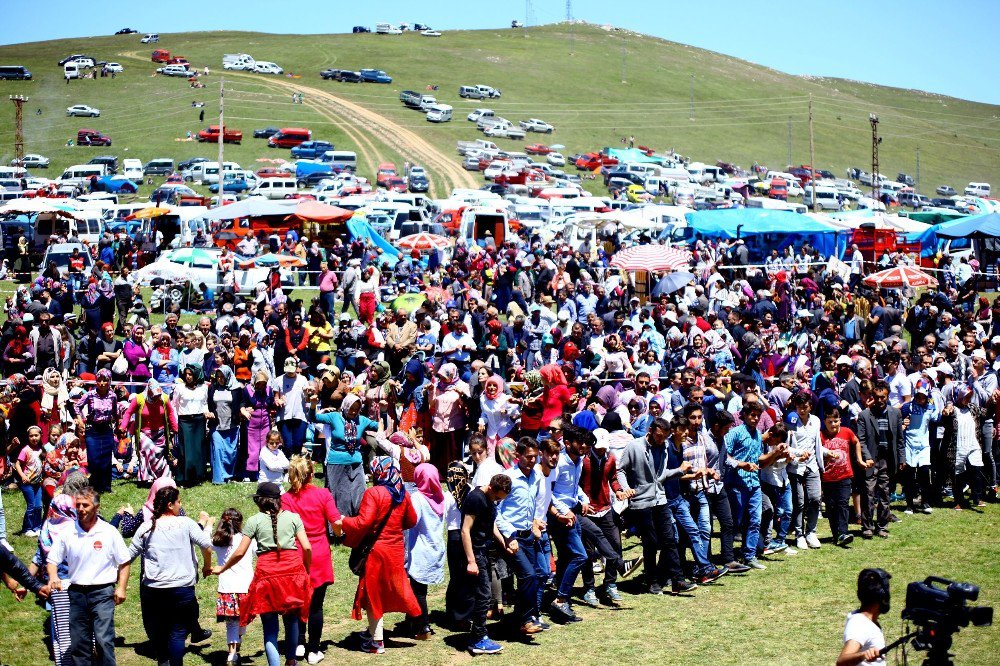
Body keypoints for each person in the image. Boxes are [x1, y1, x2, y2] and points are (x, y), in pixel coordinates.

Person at [210, 482, 313, 666]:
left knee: (270, 630)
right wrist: (306, 570)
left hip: (267, 576)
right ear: (278, 500)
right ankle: (291, 661)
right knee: (292, 623)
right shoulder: (294, 518)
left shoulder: (253, 521)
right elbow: (306, 547)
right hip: (292, 573)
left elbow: (240, 552)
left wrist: (222, 568)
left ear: (259, 501)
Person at [333, 457, 422, 655]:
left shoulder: (373, 493)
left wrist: (343, 521)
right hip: (396, 550)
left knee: (373, 594)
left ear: (378, 473)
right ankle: (379, 632)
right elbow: (412, 520)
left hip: (376, 552)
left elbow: (363, 523)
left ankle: (377, 643)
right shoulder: (402, 493)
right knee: (391, 590)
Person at [126, 484, 213, 665]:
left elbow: (127, 556)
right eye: (178, 502)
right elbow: (206, 545)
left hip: (154, 590)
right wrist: (207, 566)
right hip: (182, 590)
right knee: (177, 634)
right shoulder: (186, 523)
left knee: (160, 634)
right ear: (170, 505)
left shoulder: (146, 527)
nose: (180, 505)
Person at [47, 486, 132, 666]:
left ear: (96, 507)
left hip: (102, 592)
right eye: (78, 505)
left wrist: (121, 587)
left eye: (85, 505)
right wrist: (53, 577)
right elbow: (52, 560)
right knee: (79, 642)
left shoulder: (109, 532)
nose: (80, 509)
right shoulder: (67, 532)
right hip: (76, 593)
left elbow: (124, 562)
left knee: (103, 640)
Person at [281, 455, 341, 664]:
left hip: (295, 554)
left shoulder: (286, 499)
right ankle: (314, 650)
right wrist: (341, 531)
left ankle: (298, 643)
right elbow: (336, 522)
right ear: (311, 475)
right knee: (316, 605)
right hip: (319, 554)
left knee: (296, 602)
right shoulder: (323, 494)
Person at [460, 473, 512, 655]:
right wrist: (471, 561)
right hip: (475, 552)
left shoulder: (490, 500)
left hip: (484, 550)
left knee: (484, 594)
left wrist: (503, 542)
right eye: (497, 497)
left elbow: (491, 525)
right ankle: (478, 638)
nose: (498, 501)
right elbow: (465, 531)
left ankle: (478, 634)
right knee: (483, 594)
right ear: (491, 488)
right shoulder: (476, 498)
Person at [403, 463, 450, 640]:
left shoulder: (418, 498)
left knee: (418, 590)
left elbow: (412, 521)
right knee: (421, 588)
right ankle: (412, 618)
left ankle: (423, 627)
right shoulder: (442, 497)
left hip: (421, 548)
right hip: (436, 547)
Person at [317, 393, 378, 517]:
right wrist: (313, 405)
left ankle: (358, 523)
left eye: (357, 409)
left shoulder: (362, 420)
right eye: (351, 408)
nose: (354, 412)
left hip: (356, 462)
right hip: (336, 462)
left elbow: (378, 426)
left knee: (360, 493)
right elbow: (313, 417)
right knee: (339, 496)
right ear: (345, 406)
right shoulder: (334, 417)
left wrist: (382, 412)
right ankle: (337, 527)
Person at [820, 408, 872, 547]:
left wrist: (860, 460)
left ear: (840, 420)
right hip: (828, 477)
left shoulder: (847, 432)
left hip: (845, 475)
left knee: (843, 503)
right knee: (831, 506)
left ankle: (843, 532)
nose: (833, 424)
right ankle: (836, 534)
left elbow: (856, 443)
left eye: (836, 421)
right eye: (830, 421)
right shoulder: (821, 435)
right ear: (824, 422)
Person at [210, 508, 254, 665]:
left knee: (231, 623)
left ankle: (232, 653)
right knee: (243, 619)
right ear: (240, 523)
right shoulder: (246, 540)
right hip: (245, 587)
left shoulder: (218, 540)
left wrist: (208, 525)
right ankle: (236, 646)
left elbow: (204, 543)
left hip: (226, 587)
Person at [120, 378, 178, 483]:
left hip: (160, 432)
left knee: (159, 455)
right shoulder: (139, 398)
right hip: (143, 433)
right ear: (149, 391)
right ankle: (147, 478)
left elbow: (170, 413)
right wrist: (123, 426)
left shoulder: (164, 398)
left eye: (158, 395)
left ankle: (161, 478)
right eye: (154, 395)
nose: (156, 398)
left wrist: (175, 428)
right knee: (149, 450)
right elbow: (128, 413)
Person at [72, 369, 119, 493]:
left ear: (110, 381)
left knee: (106, 457)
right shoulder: (90, 394)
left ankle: (106, 486)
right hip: (93, 429)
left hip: (106, 429)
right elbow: (77, 406)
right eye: (99, 380)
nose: (102, 383)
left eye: (105, 380)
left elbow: (115, 412)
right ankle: (94, 486)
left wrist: (118, 425)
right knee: (93, 458)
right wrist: (80, 420)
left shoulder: (113, 396)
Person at [837, 568, 890, 666]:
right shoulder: (860, 624)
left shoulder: (866, 620)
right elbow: (841, 662)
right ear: (883, 597)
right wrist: (863, 655)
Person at [173, 363, 210, 486]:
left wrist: (206, 414)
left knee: (198, 450)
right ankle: (184, 478)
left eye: (191, 374)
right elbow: (175, 405)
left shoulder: (203, 388)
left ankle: (198, 477)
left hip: (199, 420)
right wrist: (175, 422)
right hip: (185, 421)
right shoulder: (179, 388)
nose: (188, 376)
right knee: (186, 451)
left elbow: (204, 403)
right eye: (186, 374)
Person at [208, 366, 245, 485]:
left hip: (231, 425)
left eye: (222, 377)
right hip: (217, 425)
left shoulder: (236, 389)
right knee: (218, 450)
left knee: (231, 452)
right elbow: (208, 403)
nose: (220, 379)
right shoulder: (213, 388)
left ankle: (228, 475)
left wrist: (243, 409)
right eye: (218, 377)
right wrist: (209, 413)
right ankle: (218, 478)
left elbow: (241, 402)